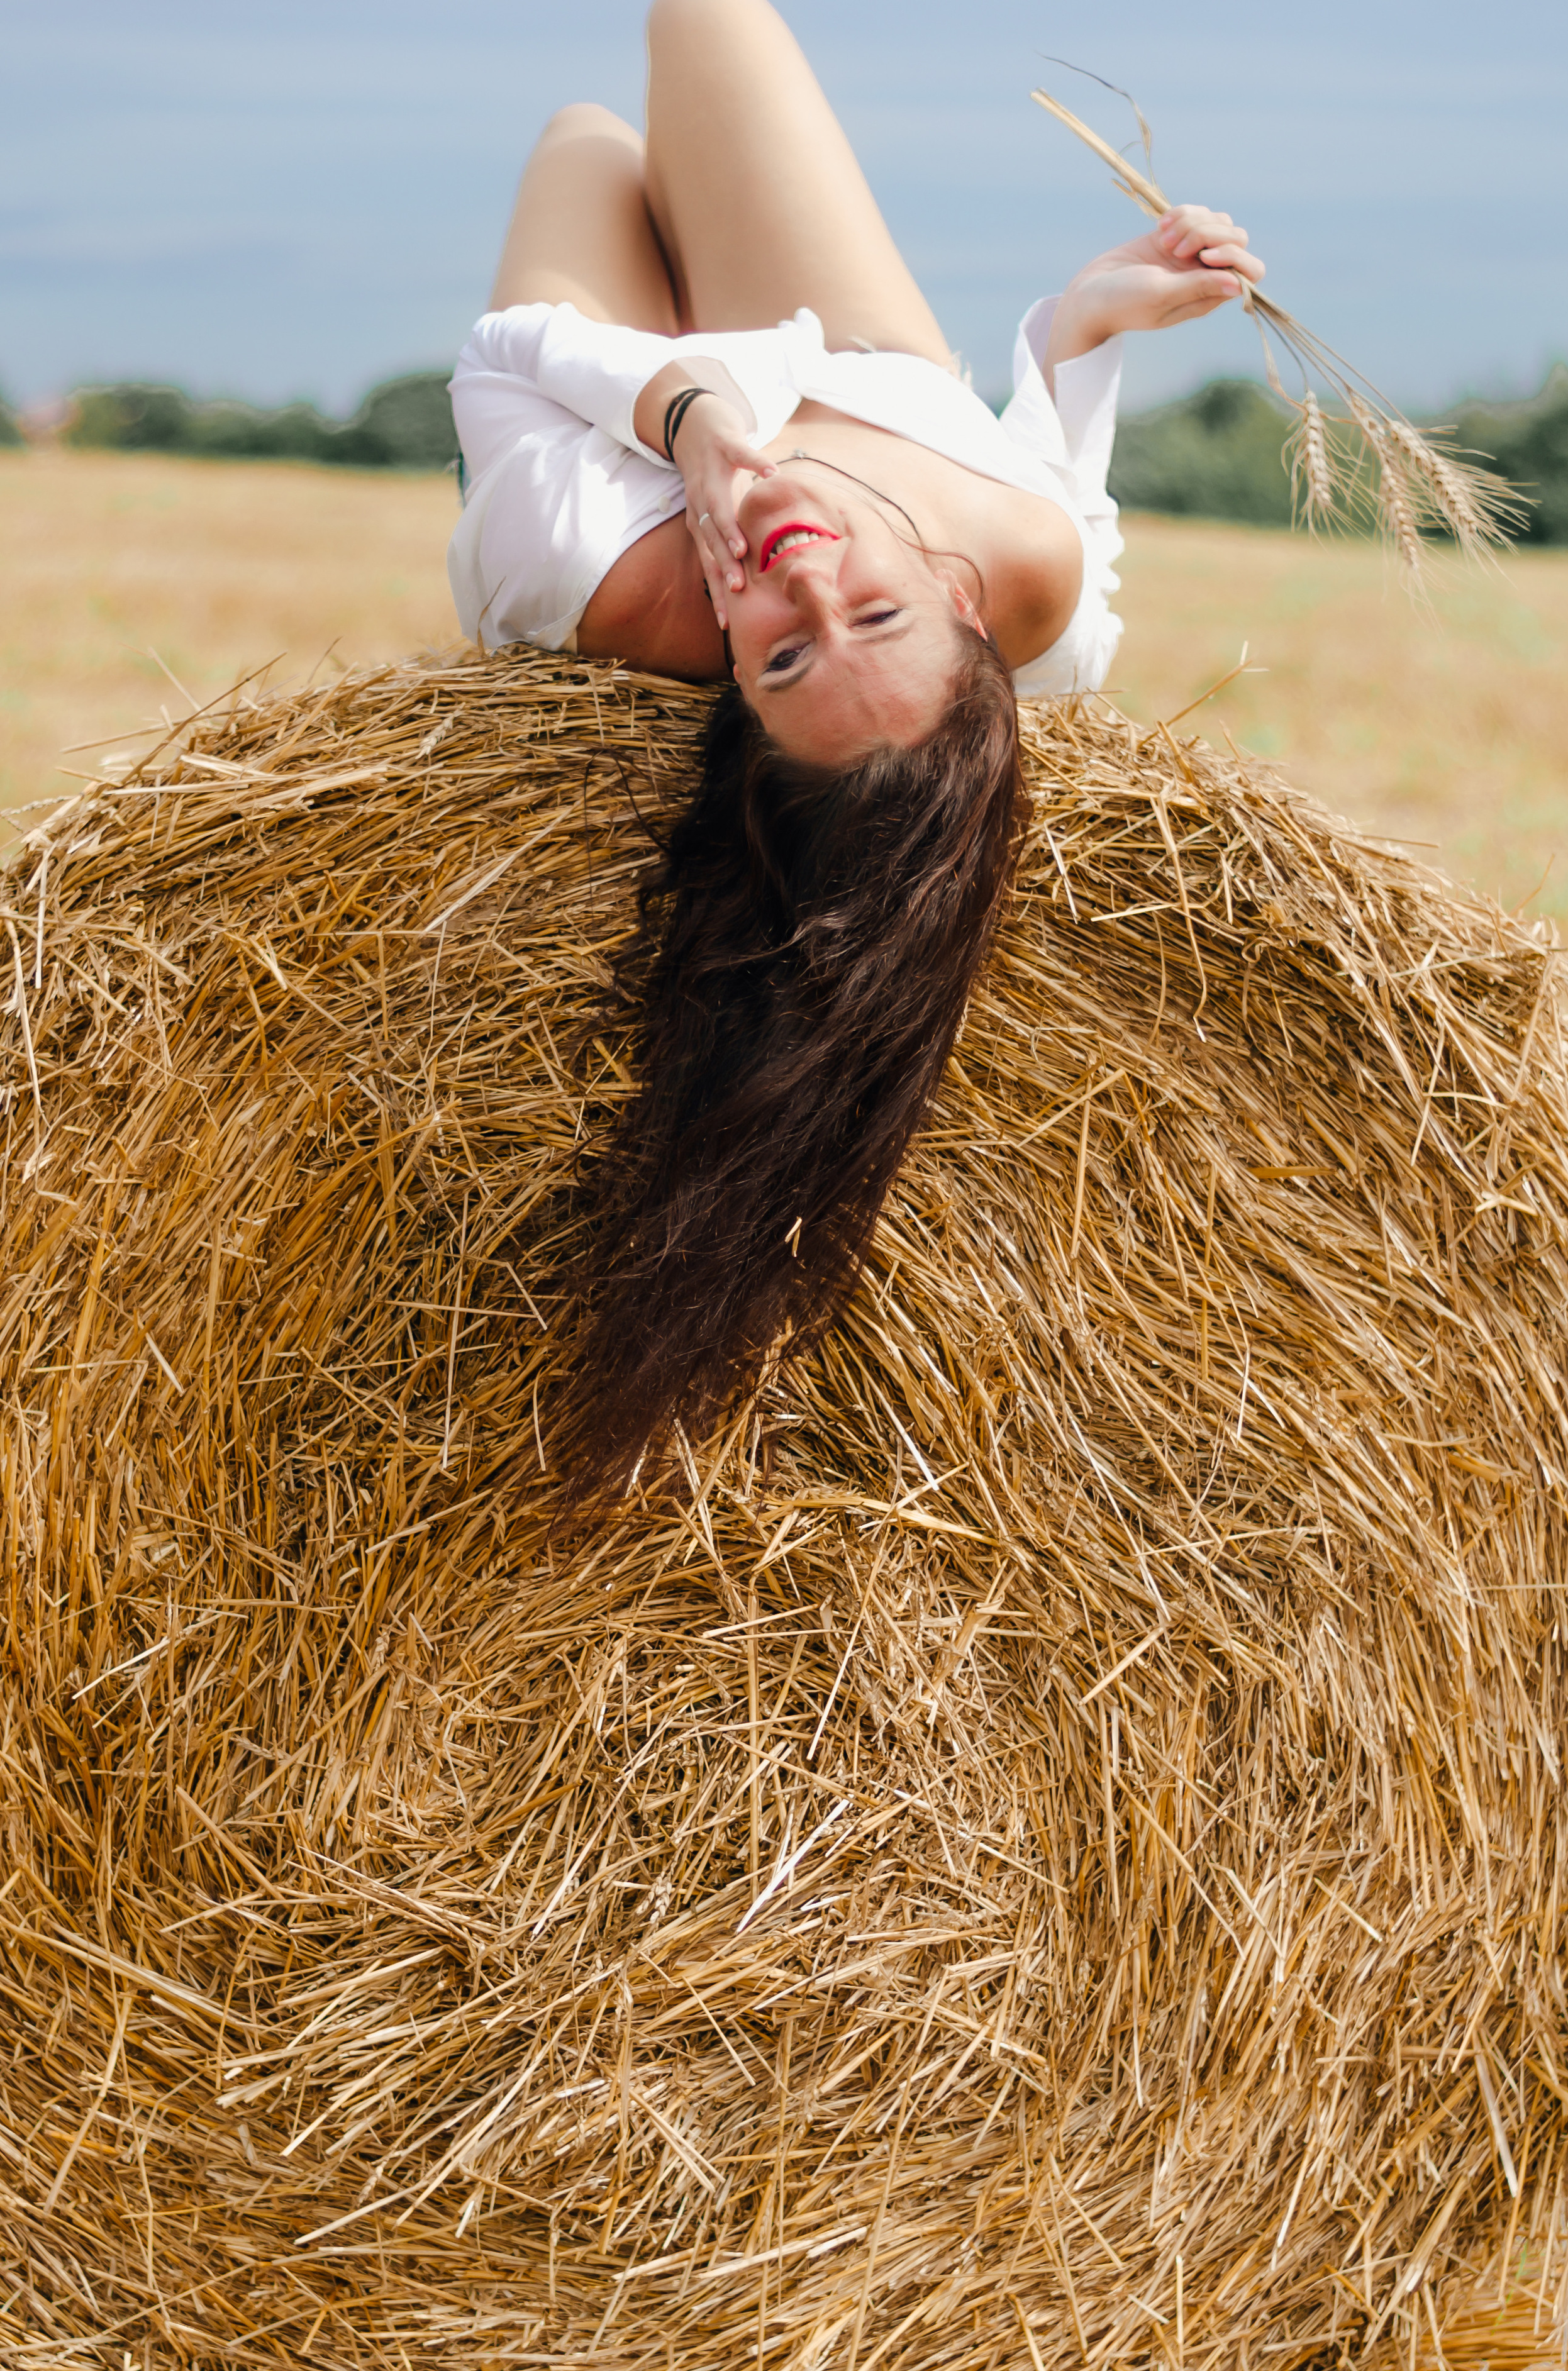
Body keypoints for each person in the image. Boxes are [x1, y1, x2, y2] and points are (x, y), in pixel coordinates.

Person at [447, 0, 1264, 1499]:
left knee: (587, 145)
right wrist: (1080, 325)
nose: (799, 575)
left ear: (733, 696)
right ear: (962, 605)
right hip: (854, 357)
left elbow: (505, 358)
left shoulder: (591, 570)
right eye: (873, 611)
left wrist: (687, 414)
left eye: (776, 653)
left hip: (611, 424)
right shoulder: (1034, 584)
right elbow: (1053, 477)